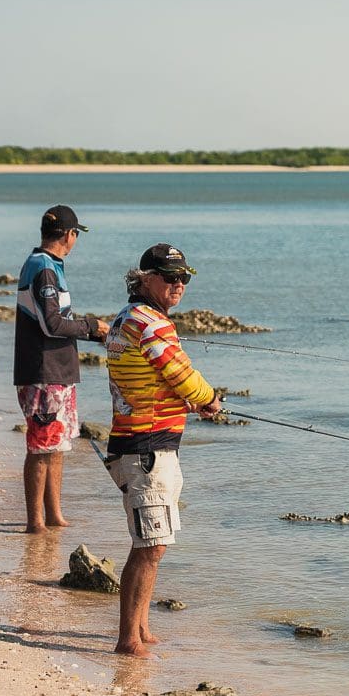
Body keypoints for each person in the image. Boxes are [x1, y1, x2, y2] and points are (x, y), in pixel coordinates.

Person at [105, 243, 222, 657]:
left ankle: (141, 628)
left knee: (153, 542)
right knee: (150, 546)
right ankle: (128, 641)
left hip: (136, 442)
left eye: (184, 277)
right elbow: (182, 375)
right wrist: (208, 399)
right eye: (170, 277)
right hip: (147, 450)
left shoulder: (125, 317)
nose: (178, 284)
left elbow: (150, 382)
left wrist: (183, 400)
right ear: (145, 279)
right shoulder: (152, 324)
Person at [14, 204, 109, 534]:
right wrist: (91, 327)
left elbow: (57, 320)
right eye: (76, 234)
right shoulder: (42, 268)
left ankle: (53, 515)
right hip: (43, 374)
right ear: (70, 235)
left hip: (59, 372)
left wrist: (93, 332)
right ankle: (35, 523)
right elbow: (52, 324)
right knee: (41, 448)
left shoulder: (50, 265)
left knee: (58, 445)